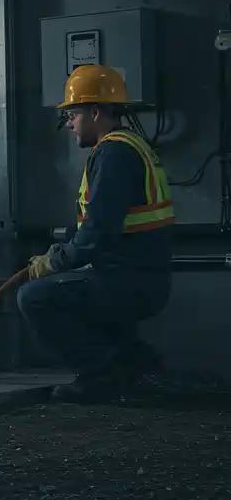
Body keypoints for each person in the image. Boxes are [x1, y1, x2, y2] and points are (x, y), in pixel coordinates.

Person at [16, 64, 174, 402]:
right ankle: (137, 361)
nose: (69, 124)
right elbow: (101, 228)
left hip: (128, 282)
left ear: (95, 111)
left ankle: (103, 375)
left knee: (34, 297)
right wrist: (64, 255)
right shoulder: (133, 146)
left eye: (72, 114)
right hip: (142, 278)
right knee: (76, 290)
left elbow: (96, 234)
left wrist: (52, 263)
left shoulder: (113, 154)